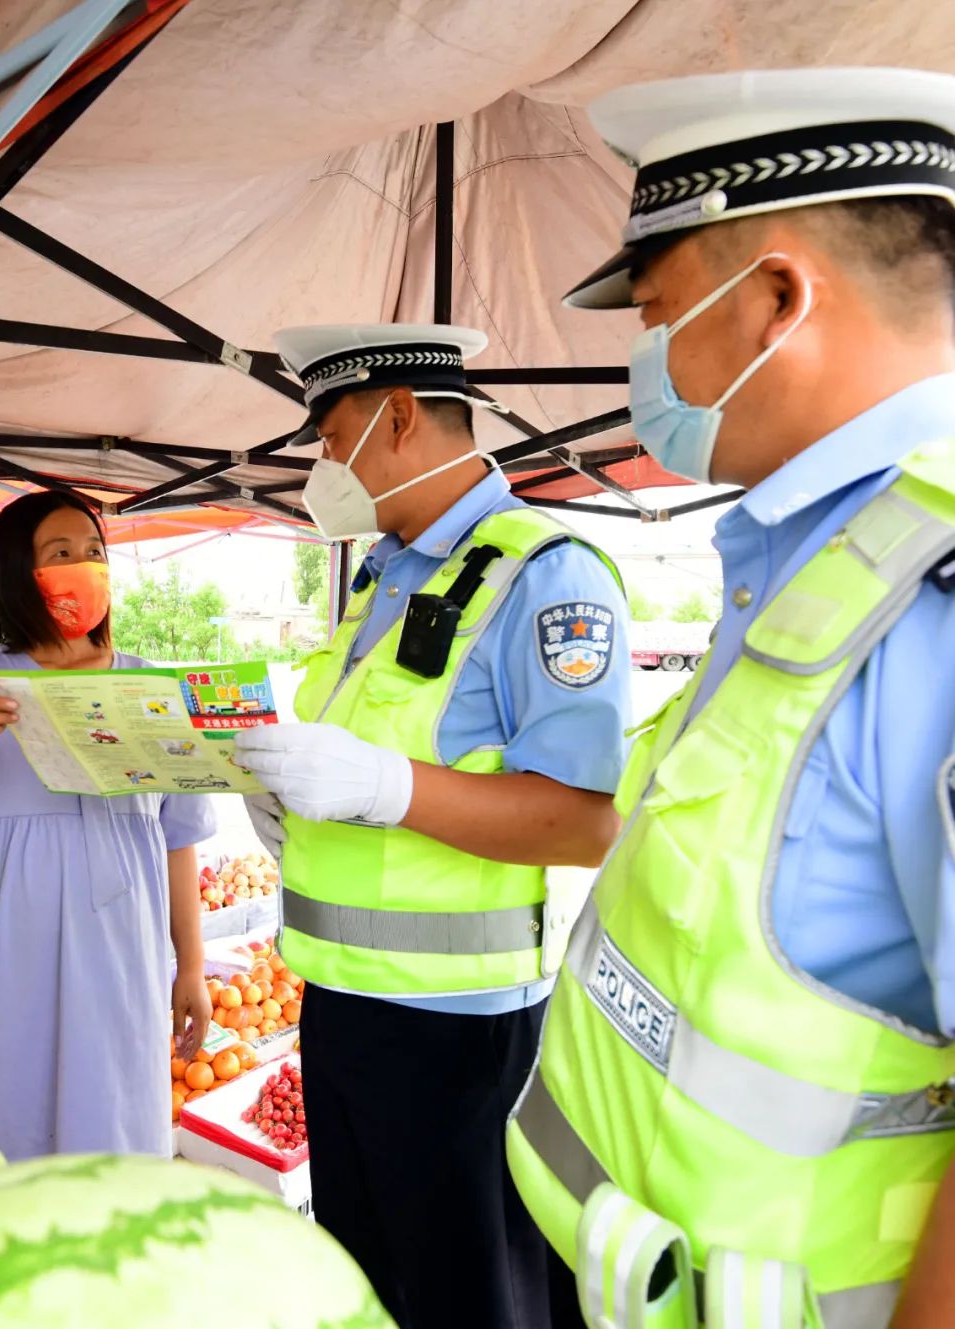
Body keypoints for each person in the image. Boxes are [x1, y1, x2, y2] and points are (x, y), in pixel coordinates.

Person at [505, 67, 955, 1329]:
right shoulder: (819, 561)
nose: (642, 359)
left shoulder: (935, 594)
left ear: (774, 299)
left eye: (653, 312)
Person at [234, 322, 632, 1329]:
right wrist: (289, 798)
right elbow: (379, 760)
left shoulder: (545, 573)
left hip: (460, 1032)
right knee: (367, 1286)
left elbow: (585, 820)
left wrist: (379, 785)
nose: (322, 465)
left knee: (468, 1299)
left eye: (329, 438)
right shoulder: (381, 578)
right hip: (338, 1003)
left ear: (398, 416)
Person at [0, 491, 216, 1161]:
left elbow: (177, 838)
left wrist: (190, 965)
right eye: (60, 554)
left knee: (110, 1139)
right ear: (18, 572)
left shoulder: (150, 690)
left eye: (95, 552)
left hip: (117, 962)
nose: (84, 565)